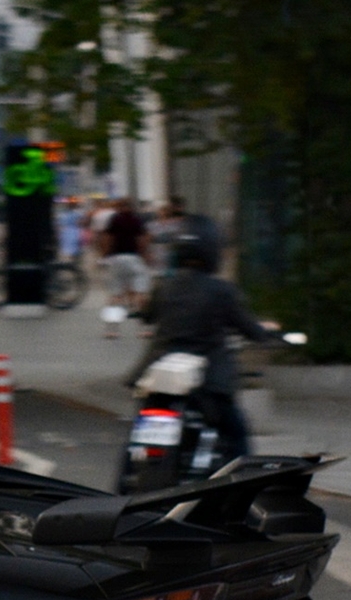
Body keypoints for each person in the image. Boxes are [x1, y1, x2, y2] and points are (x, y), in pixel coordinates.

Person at [131, 234, 274, 464]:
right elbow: (249, 328)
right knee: (237, 433)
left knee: (137, 435)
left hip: (160, 378)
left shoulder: (164, 287)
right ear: (212, 256)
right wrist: (264, 332)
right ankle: (243, 484)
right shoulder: (221, 290)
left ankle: (122, 483)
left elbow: (147, 316)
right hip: (207, 380)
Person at [100, 198, 151, 336]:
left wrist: (105, 255)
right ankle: (144, 329)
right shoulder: (136, 220)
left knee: (115, 296)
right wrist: (144, 254)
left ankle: (112, 330)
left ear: (118, 207)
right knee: (140, 295)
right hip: (134, 258)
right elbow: (143, 238)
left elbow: (107, 238)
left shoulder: (114, 220)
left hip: (117, 259)